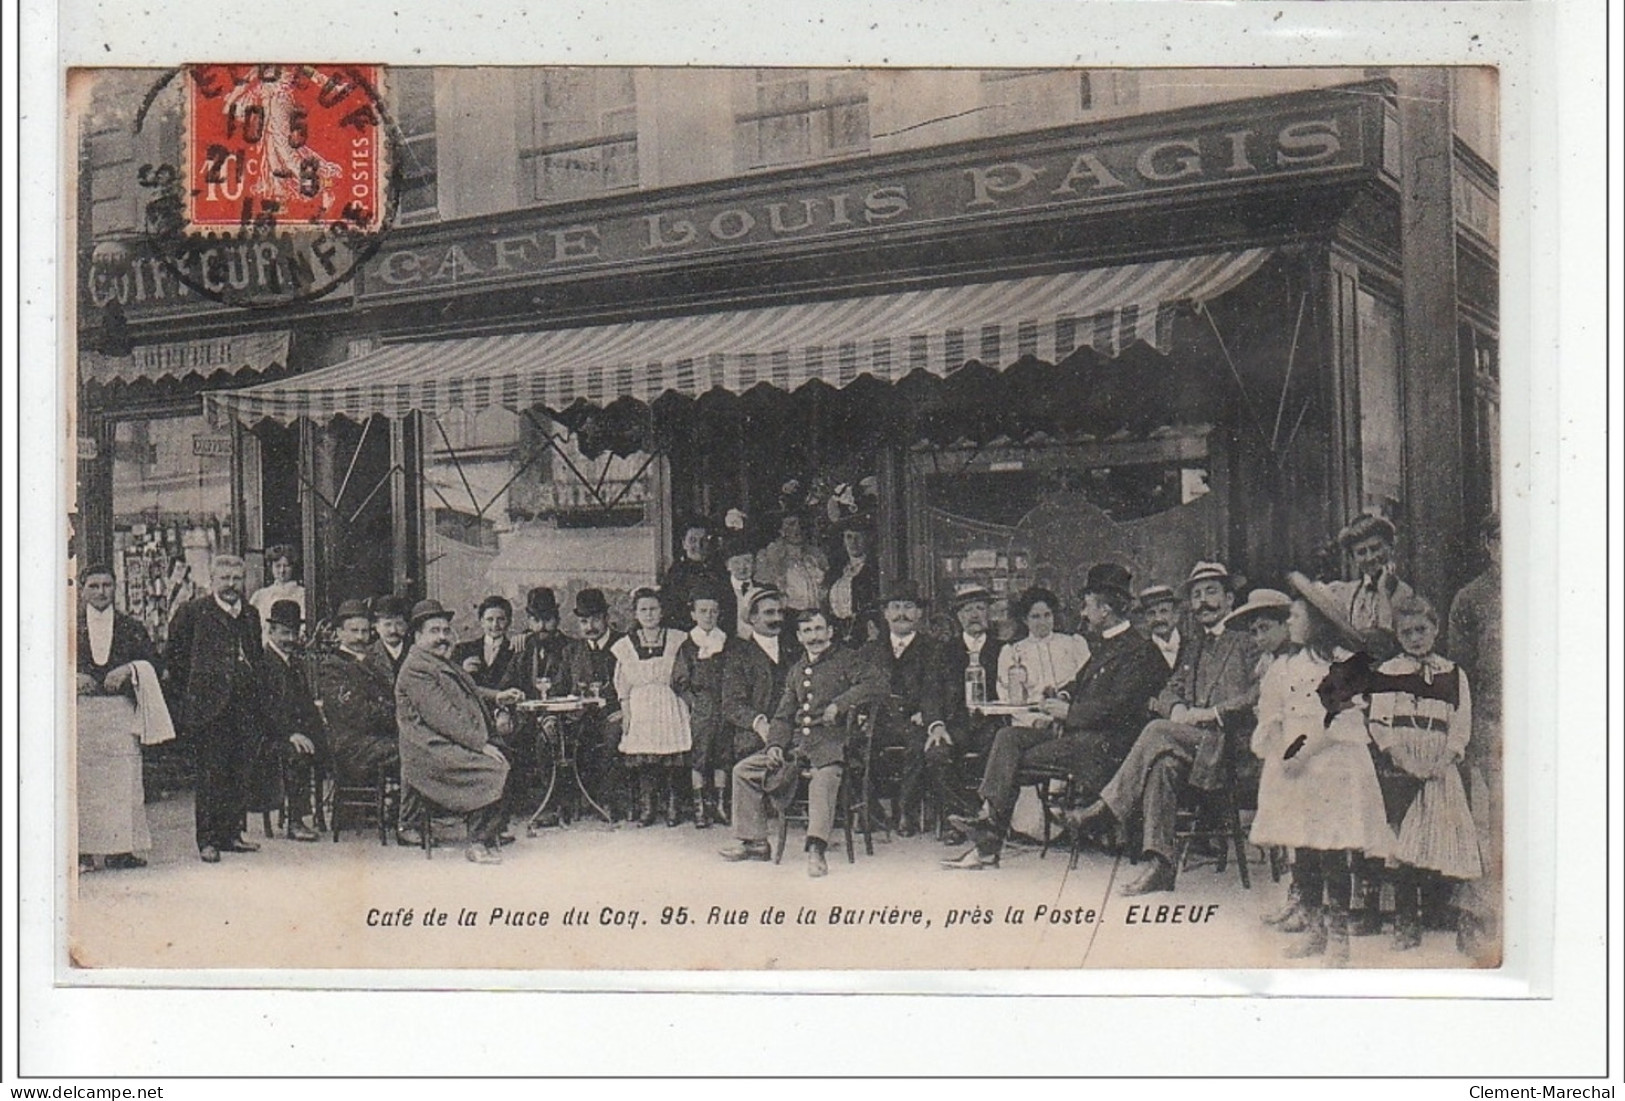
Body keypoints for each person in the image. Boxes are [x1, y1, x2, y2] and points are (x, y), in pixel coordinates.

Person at [945, 565, 1168, 870]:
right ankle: (987, 820)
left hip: (1104, 743)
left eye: (1087, 605)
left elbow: (1123, 706)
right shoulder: (1105, 643)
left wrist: (1070, 712)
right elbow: (1081, 682)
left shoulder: (1138, 649)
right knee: (1008, 737)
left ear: (1105, 609)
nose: (1084, 613)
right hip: (1079, 733)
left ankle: (988, 839)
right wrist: (1062, 695)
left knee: (1015, 759)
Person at [1061, 560, 1258, 895]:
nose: (1203, 602)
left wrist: (1209, 713)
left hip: (1232, 748)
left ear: (1229, 600)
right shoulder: (1194, 645)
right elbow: (1167, 690)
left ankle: (1105, 808)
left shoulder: (1246, 641)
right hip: (1196, 748)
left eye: (1211, 592)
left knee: (1155, 731)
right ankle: (1161, 866)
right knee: (1162, 764)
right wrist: (1178, 707)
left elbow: (1259, 692)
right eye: (1196, 595)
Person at [1246, 579, 1395, 965]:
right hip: (1293, 771)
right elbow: (1271, 715)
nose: (1290, 621)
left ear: (1315, 619)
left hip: (1331, 766)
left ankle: (1338, 937)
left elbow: (1342, 721)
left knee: (1332, 852)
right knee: (1303, 853)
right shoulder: (1282, 667)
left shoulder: (1343, 665)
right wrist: (1280, 748)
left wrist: (1305, 750)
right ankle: (1313, 930)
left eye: (1296, 615)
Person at [719, 609, 885, 877]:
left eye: (819, 629)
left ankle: (816, 850)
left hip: (834, 746)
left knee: (823, 779)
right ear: (799, 637)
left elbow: (876, 683)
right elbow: (784, 716)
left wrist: (840, 704)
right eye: (807, 631)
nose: (814, 636)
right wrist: (774, 745)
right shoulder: (797, 670)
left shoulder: (848, 660)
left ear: (830, 632)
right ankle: (755, 842)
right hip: (799, 748)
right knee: (744, 771)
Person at [1367, 594, 1482, 952]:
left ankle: (1438, 909)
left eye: (1422, 630)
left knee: (1438, 835)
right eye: (1407, 632)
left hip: (1439, 764)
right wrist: (1405, 760)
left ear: (1435, 629)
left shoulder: (1452, 673)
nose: (1415, 638)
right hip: (1403, 765)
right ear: (1398, 636)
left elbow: (1460, 726)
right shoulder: (1389, 672)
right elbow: (1380, 723)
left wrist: (1444, 759)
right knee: (1404, 842)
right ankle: (1406, 918)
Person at [394, 599, 524, 864]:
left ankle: (490, 830)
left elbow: (468, 689)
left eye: (445, 630)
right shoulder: (417, 669)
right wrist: (480, 743)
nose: (442, 637)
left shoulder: (437, 660)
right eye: (434, 631)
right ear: (417, 636)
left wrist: (498, 696)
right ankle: (477, 843)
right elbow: (444, 717)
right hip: (430, 748)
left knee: (508, 755)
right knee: (492, 766)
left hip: (448, 742)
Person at [163, 553, 265, 863]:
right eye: (225, 579)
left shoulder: (249, 615)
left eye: (236, 579)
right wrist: (190, 698)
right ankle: (207, 840)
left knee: (238, 770)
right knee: (211, 775)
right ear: (212, 581)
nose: (231, 585)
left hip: (243, 704)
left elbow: (256, 656)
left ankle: (231, 834)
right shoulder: (193, 612)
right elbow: (175, 659)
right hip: (208, 707)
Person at [76, 563, 164, 871]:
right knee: (82, 782)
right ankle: (81, 851)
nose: (101, 592)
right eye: (94, 586)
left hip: (119, 713)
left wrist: (129, 669)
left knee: (123, 782)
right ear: (83, 590)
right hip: (81, 714)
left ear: (116, 589)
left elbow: (153, 661)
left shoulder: (131, 627)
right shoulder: (67, 626)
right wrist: (71, 676)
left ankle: (120, 850)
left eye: (107, 586)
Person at [1448, 512, 1502, 958]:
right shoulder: (1471, 599)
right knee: (1495, 816)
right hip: (1491, 721)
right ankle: (1488, 914)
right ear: (1489, 543)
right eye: (1502, 540)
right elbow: (1460, 673)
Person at [859, 579, 947, 837]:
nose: (901, 614)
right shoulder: (869, 651)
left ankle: (906, 813)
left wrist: (929, 715)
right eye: (895, 607)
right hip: (880, 721)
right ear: (885, 614)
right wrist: (863, 713)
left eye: (908, 607)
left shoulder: (934, 649)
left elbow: (941, 689)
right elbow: (859, 687)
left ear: (919, 613)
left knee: (918, 745)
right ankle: (871, 812)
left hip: (915, 721)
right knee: (853, 745)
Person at [612, 588, 693, 826]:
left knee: (671, 758)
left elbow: (684, 674)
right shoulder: (625, 646)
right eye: (643, 610)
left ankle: (673, 806)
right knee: (645, 760)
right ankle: (648, 808)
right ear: (636, 614)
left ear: (662, 611)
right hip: (640, 706)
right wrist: (626, 712)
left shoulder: (678, 639)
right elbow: (622, 682)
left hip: (669, 701)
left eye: (653, 609)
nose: (649, 614)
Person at [932, 583, 1007, 840]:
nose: (974, 615)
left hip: (993, 724)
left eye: (980, 608)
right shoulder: (943, 652)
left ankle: (988, 819)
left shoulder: (1003, 650)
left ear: (989, 613)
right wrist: (937, 725)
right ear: (958, 617)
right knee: (937, 752)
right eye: (967, 610)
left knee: (998, 751)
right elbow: (929, 695)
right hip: (956, 725)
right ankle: (958, 820)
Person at [718, 588, 797, 821]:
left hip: (791, 725)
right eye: (769, 613)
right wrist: (759, 723)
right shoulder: (739, 654)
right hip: (755, 732)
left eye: (780, 612)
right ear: (752, 618)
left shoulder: (794, 648)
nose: (777, 619)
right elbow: (731, 704)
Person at [253, 600, 325, 842]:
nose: (290, 638)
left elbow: (305, 705)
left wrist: (320, 732)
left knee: (326, 745)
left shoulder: (294, 662)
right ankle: (296, 820)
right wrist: (289, 734)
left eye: (294, 632)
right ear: (270, 632)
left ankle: (339, 814)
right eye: (284, 632)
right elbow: (264, 709)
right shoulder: (262, 663)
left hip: (292, 731)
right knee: (298, 753)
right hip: (267, 736)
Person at [316, 598, 401, 795]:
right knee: (412, 750)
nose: (360, 637)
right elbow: (355, 712)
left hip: (375, 738)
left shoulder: (371, 663)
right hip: (351, 745)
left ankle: (399, 809)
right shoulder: (333, 666)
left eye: (364, 631)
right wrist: (392, 714)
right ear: (339, 633)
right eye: (354, 631)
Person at [673, 585, 735, 828]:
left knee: (723, 753)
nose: (708, 615)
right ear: (693, 614)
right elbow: (679, 679)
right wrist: (693, 702)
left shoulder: (727, 642)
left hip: (725, 703)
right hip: (702, 706)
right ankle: (699, 807)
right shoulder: (688, 646)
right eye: (703, 611)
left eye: (713, 611)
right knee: (699, 755)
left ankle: (719, 804)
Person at [564, 588, 626, 817]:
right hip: (582, 716)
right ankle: (572, 801)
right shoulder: (572, 651)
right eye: (583, 621)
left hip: (616, 714)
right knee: (560, 736)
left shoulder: (624, 645)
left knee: (612, 736)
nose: (589, 626)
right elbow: (563, 688)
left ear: (606, 618)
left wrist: (623, 711)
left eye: (595, 619)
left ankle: (607, 800)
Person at [995, 586, 1091, 713]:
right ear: (1025, 620)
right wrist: (1033, 721)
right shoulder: (1011, 652)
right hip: (1030, 721)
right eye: (1035, 617)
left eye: (1047, 615)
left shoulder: (1074, 643)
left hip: (1070, 716)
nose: (1043, 622)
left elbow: (1088, 685)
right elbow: (1006, 698)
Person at [1327, 513, 1416, 642]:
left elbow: (1388, 640)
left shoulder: (1405, 594)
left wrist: (1383, 592)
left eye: (1375, 548)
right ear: (1353, 558)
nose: (1370, 558)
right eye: (1361, 552)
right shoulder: (1345, 593)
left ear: (1390, 547)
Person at [755, 512, 829, 614]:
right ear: (781, 530)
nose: (797, 529)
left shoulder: (815, 555)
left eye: (801, 524)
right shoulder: (771, 557)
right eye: (791, 524)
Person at [660, 521, 728, 631]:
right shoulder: (675, 574)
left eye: (703, 540)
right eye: (692, 540)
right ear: (684, 544)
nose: (698, 545)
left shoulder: (719, 571)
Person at [825, 524, 877, 643]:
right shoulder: (836, 571)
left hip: (865, 632)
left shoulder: (874, 570)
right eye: (849, 537)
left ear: (868, 539)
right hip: (838, 633)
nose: (853, 542)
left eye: (858, 537)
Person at [452, 595, 518, 690]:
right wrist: (463, 672)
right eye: (490, 619)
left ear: (509, 622)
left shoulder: (516, 651)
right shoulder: (462, 649)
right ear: (481, 621)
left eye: (501, 619)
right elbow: (450, 685)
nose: (495, 625)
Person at [248, 545, 306, 637]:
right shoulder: (260, 595)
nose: (282, 571)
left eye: (286, 566)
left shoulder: (303, 594)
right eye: (277, 566)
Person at [720, 531, 761, 640]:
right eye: (736, 562)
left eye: (747, 561)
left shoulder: (761, 590)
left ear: (754, 564)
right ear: (727, 565)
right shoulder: (720, 591)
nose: (742, 567)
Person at [1137, 583, 1183, 670]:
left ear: (1176, 614)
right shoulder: (1139, 656)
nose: (1158, 619)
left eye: (1163, 611)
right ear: (1145, 619)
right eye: (1151, 613)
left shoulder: (1193, 646)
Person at [367, 594, 412, 678]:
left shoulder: (415, 652)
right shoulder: (367, 657)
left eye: (399, 624)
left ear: (406, 625)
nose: (393, 630)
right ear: (376, 626)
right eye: (387, 624)